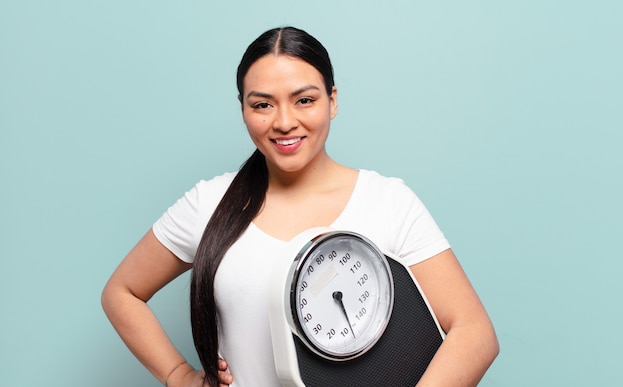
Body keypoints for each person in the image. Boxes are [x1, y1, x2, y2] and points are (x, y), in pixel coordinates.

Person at [101, 26, 499, 387]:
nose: (285, 122)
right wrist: (179, 375)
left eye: (304, 99)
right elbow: (122, 292)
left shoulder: (388, 201)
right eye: (262, 105)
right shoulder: (209, 204)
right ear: (243, 110)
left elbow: (475, 333)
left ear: (333, 101)